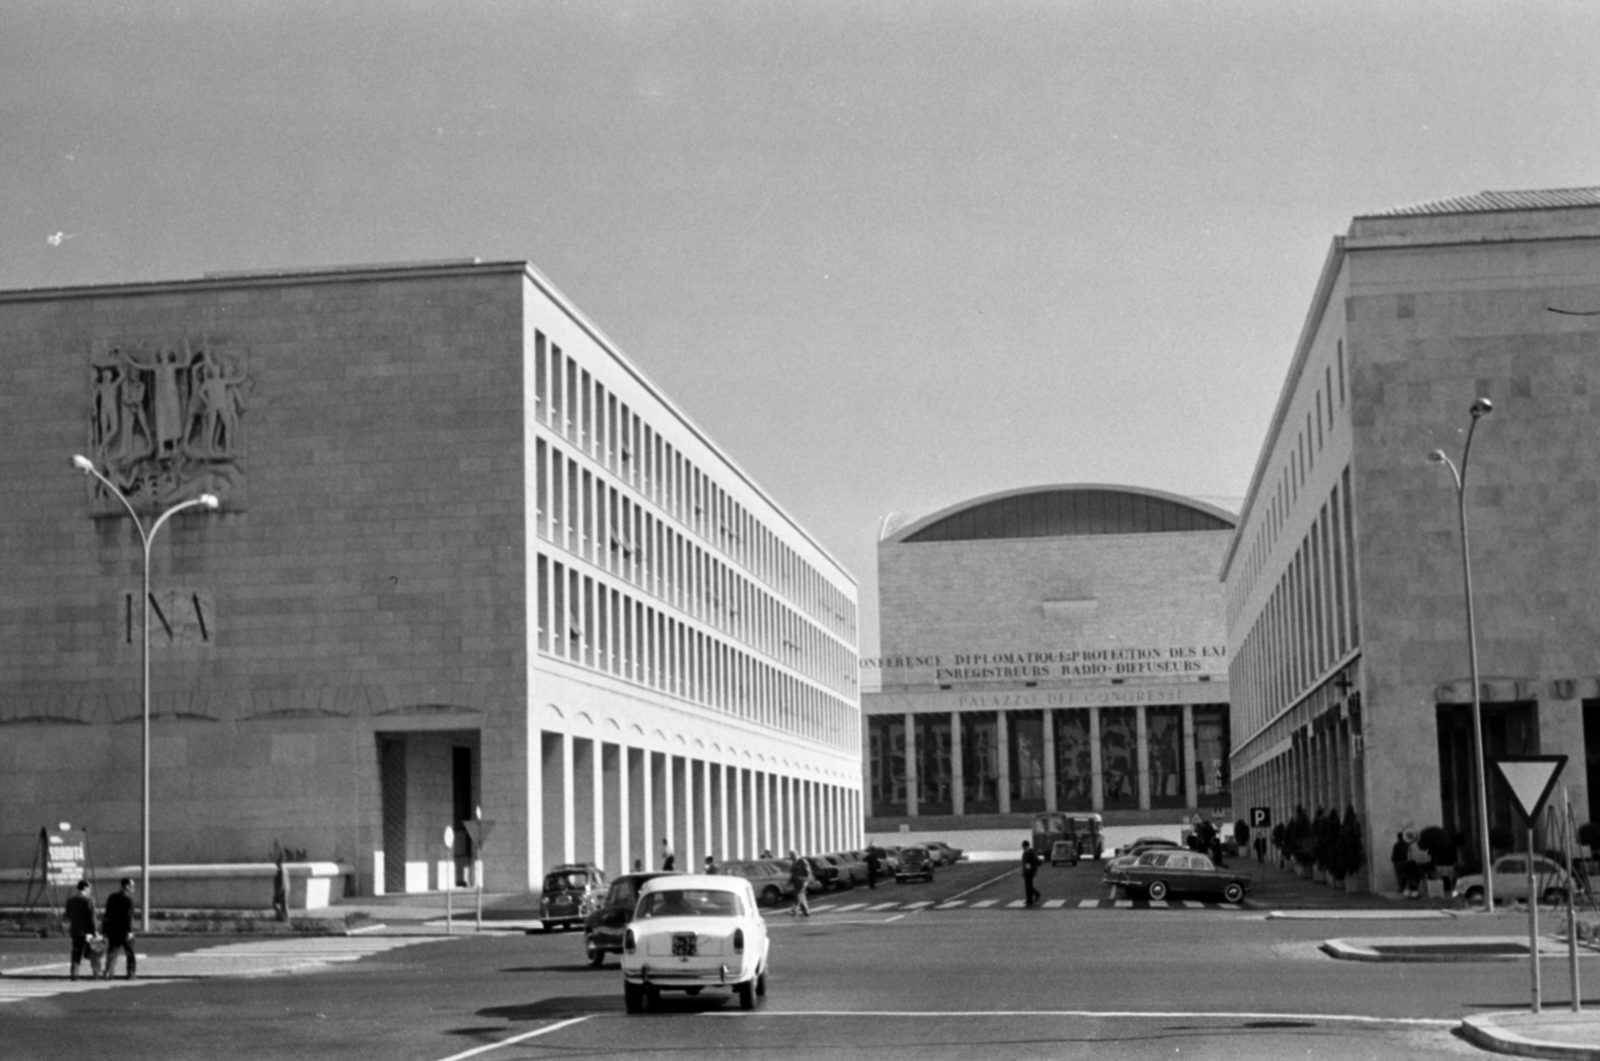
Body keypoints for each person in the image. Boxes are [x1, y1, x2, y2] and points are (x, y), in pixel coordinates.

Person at [63, 880, 98, 981]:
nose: (90, 890)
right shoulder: (89, 900)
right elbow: (92, 917)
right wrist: (95, 930)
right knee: (93, 952)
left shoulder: (71, 900)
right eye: (89, 888)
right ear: (86, 887)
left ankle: (74, 975)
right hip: (88, 931)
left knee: (76, 953)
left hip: (75, 930)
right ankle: (96, 974)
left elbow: (68, 915)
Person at [102, 878, 136, 980]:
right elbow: (128, 917)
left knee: (112, 952)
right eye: (132, 886)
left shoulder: (112, 897)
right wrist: (129, 931)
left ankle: (108, 972)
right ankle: (131, 974)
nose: (133, 888)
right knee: (130, 953)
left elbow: (107, 915)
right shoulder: (128, 899)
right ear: (126, 886)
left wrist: (105, 930)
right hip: (124, 931)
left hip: (112, 930)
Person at [787, 850, 812, 917]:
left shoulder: (802, 861)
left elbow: (808, 871)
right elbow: (793, 873)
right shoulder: (793, 863)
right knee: (801, 896)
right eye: (791, 856)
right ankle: (806, 911)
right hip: (796, 882)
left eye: (793, 855)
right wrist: (790, 881)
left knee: (798, 895)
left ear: (797, 854)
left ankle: (794, 910)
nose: (792, 857)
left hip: (802, 882)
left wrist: (804, 878)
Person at [1391, 831, 1414, 898]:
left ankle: (1401, 888)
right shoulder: (1406, 844)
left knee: (1399, 876)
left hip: (1397, 862)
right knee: (1408, 875)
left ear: (1398, 837)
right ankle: (1410, 887)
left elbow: (1394, 854)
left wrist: (1393, 860)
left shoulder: (1396, 844)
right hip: (1405, 861)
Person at [1021, 840, 1042, 906]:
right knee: (1027, 886)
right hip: (1026, 872)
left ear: (1027, 846)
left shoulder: (1031, 852)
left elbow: (1035, 862)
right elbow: (1024, 863)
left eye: (1024, 846)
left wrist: (1034, 871)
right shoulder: (1024, 853)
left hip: (1030, 872)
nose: (1023, 848)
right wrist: (1023, 871)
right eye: (1023, 846)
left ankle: (1036, 894)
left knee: (1029, 886)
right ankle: (1029, 900)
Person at [273, 853, 290, 922]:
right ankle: (281, 916)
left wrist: (279, 891)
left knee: (278, 904)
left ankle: (283, 917)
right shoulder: (284, 870)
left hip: (281, 890)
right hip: (284, 889)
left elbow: (282, 881)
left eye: (276, 862)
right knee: (283, 904)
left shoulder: (281, 870)